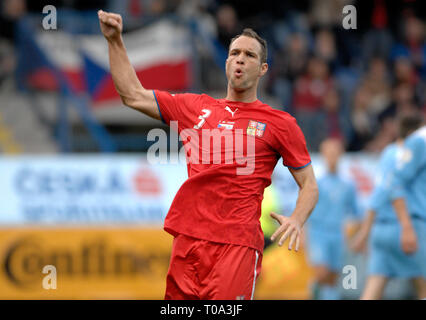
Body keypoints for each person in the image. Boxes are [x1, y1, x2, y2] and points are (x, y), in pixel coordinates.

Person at [98, 10, 319, 300]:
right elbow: (132, 94)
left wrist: (297, 219)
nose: (240, 58)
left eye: (249, 55)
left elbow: (310, 185)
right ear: (227, 61)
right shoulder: (194, 107)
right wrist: (115, 40)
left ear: (263, 68)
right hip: (188, 239)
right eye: (235, 53)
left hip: (236, 245)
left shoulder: (280, 123)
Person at [351, 114, 426, 299]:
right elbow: (395, 186)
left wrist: (365, 231)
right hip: (409, 226)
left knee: (373, 288)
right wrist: (407, 227)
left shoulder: (388, 153)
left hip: (381, 229)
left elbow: (378, 193)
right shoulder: (418, 148)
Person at [305, 138, 359, 300]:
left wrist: (353, 230)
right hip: (318, 232)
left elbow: (355, 211)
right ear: (323, 155)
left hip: (337, 233)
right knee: (322, 272)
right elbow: (304, 208)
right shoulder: (316, 182)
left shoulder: (347, 184)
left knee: (334, 278)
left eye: (335, 153)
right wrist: (302, 231)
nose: (332, 157)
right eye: (329, 153)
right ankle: (313, 291)